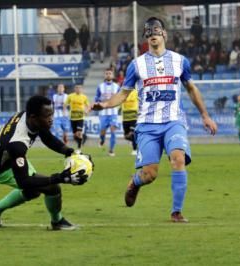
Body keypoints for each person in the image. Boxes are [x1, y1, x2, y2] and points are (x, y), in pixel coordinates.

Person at [92, 17, 217, 222]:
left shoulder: (179, 61)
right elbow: (123, 94)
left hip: (173, 121)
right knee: (149, 174)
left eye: (156, 31)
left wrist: (205, 115)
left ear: (164, 34)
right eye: (148, 32)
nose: (152, 35)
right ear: (146, 38)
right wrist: (105, 104)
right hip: (147, 125)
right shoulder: (137, 64)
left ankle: (176, 212)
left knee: (178, 158)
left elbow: (191, 89)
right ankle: (135, 182)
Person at [0, 95, 90, 230]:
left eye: (52, 114)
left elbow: (47, 137)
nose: (51, 118)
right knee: (52, 188)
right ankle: (57, 222)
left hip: (7, 157)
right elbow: (24, 181)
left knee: (33, 192)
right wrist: (60, 178)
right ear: (34, 117)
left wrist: (70, 152)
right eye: (47, 116)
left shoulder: (28, 117)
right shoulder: (17, 144)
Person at [95, 69, 120, 156]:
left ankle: (111, 150)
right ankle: (102, 139)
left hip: (113, 112)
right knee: (103, 131)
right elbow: (96, 98)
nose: (108, 75)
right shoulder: (100, 86)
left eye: (110, 73)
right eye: (107, 74)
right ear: (104, 75)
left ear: (112, 75)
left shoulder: (117, 86)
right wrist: (101, 101)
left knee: (113, 130)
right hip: (103, 113)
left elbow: (120, 98)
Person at [65, 84, 90, 152]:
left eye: (79, 88)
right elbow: (65, 104)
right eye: (76, 88)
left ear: (81, 89)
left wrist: (87, 111)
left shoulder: (84, 97)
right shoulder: (70, 96)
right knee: (75, 134)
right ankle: (83, 139)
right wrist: (64, 112)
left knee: (79, 132)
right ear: (74, 89)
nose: (78, 89)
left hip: (80, 117)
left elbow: (88, 105)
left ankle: (79, 147)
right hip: (73, 118)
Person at [121, 89, 138, 155]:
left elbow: (131, 99)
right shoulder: (123, 92)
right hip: (125, 117)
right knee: (126, 136)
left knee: (132, 133)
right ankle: (137, 142)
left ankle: (134, 150)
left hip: (133, 116)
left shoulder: (135, 92)